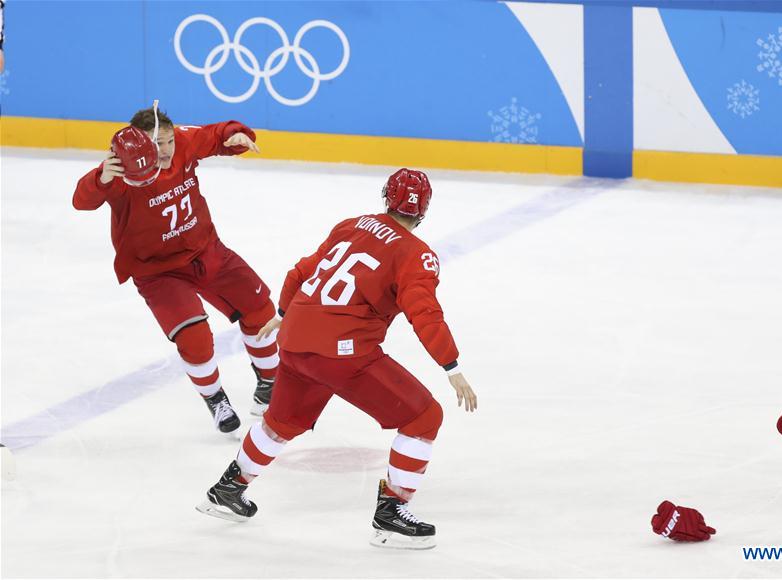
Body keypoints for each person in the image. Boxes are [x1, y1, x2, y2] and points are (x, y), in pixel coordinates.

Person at [197, 168, 478, 550]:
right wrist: (451, 366)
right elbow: (424, 313)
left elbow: (299, 272)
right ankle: (392, 513)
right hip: (342, 352)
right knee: (424, 417)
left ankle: (229, 489)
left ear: (386, 197)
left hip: (294, 340)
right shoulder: (417, 255)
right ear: (424, 211)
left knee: (281, 421)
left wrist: (283, 313)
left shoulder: (352, 225)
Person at [72, 103, 279, 435]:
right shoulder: (122, 174)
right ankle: (215, 399)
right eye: (157, 144)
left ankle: (269, 382)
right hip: (158, 272)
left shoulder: (182, 142)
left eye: (168, 141)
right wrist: (101, 177)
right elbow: (81, 201)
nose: (166, 149)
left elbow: (216, 134)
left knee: (260, 309)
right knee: (195, 339)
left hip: (206, 251)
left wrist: (236, 135)